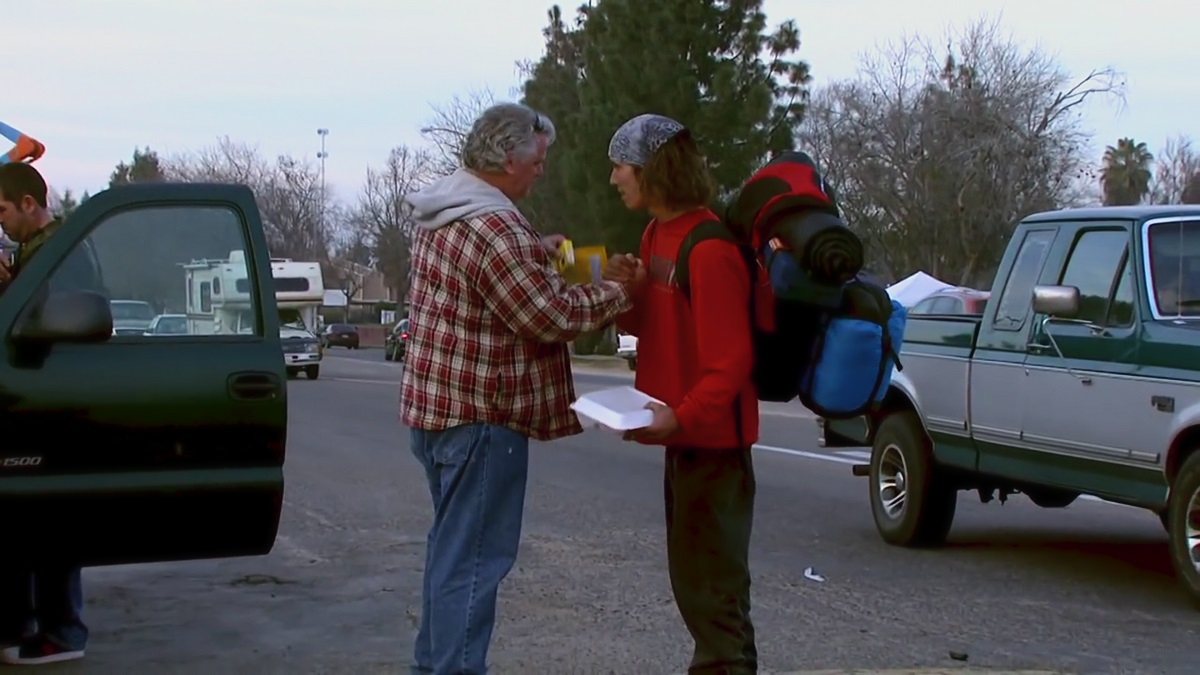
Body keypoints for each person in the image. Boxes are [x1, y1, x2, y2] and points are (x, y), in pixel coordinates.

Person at [400, 102, 636, 675]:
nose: (542, 171)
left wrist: (539, 250)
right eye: (539, 160)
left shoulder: (445, 211)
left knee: (450, 555)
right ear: (510, 157)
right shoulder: (496, 227)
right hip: (482, 419)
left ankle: (431, 665)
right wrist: (620, 293)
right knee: (476, 563)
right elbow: (546, 315)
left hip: (434, 414)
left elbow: (497, 284)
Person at [603, 113, 759, 674]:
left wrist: (682, 418)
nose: (615, 178)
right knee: (697, 589)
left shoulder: (710, 248)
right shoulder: (655, 235)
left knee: (714, 597)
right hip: (683, 437)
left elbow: (730, 362)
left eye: (621, 166)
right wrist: (635, 292)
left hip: (713, 447)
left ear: (652, 170)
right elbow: (660, 327)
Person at [0, 161, 97, 666]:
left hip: (58, 396)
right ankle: (21, 621)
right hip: (29, 394)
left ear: (29, 205)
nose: (1, 223)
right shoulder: (32, 254)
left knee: (56, 517)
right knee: (22, 517)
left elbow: (54, 320)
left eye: (3, 211)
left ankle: (64, 629)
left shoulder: (65, 254)